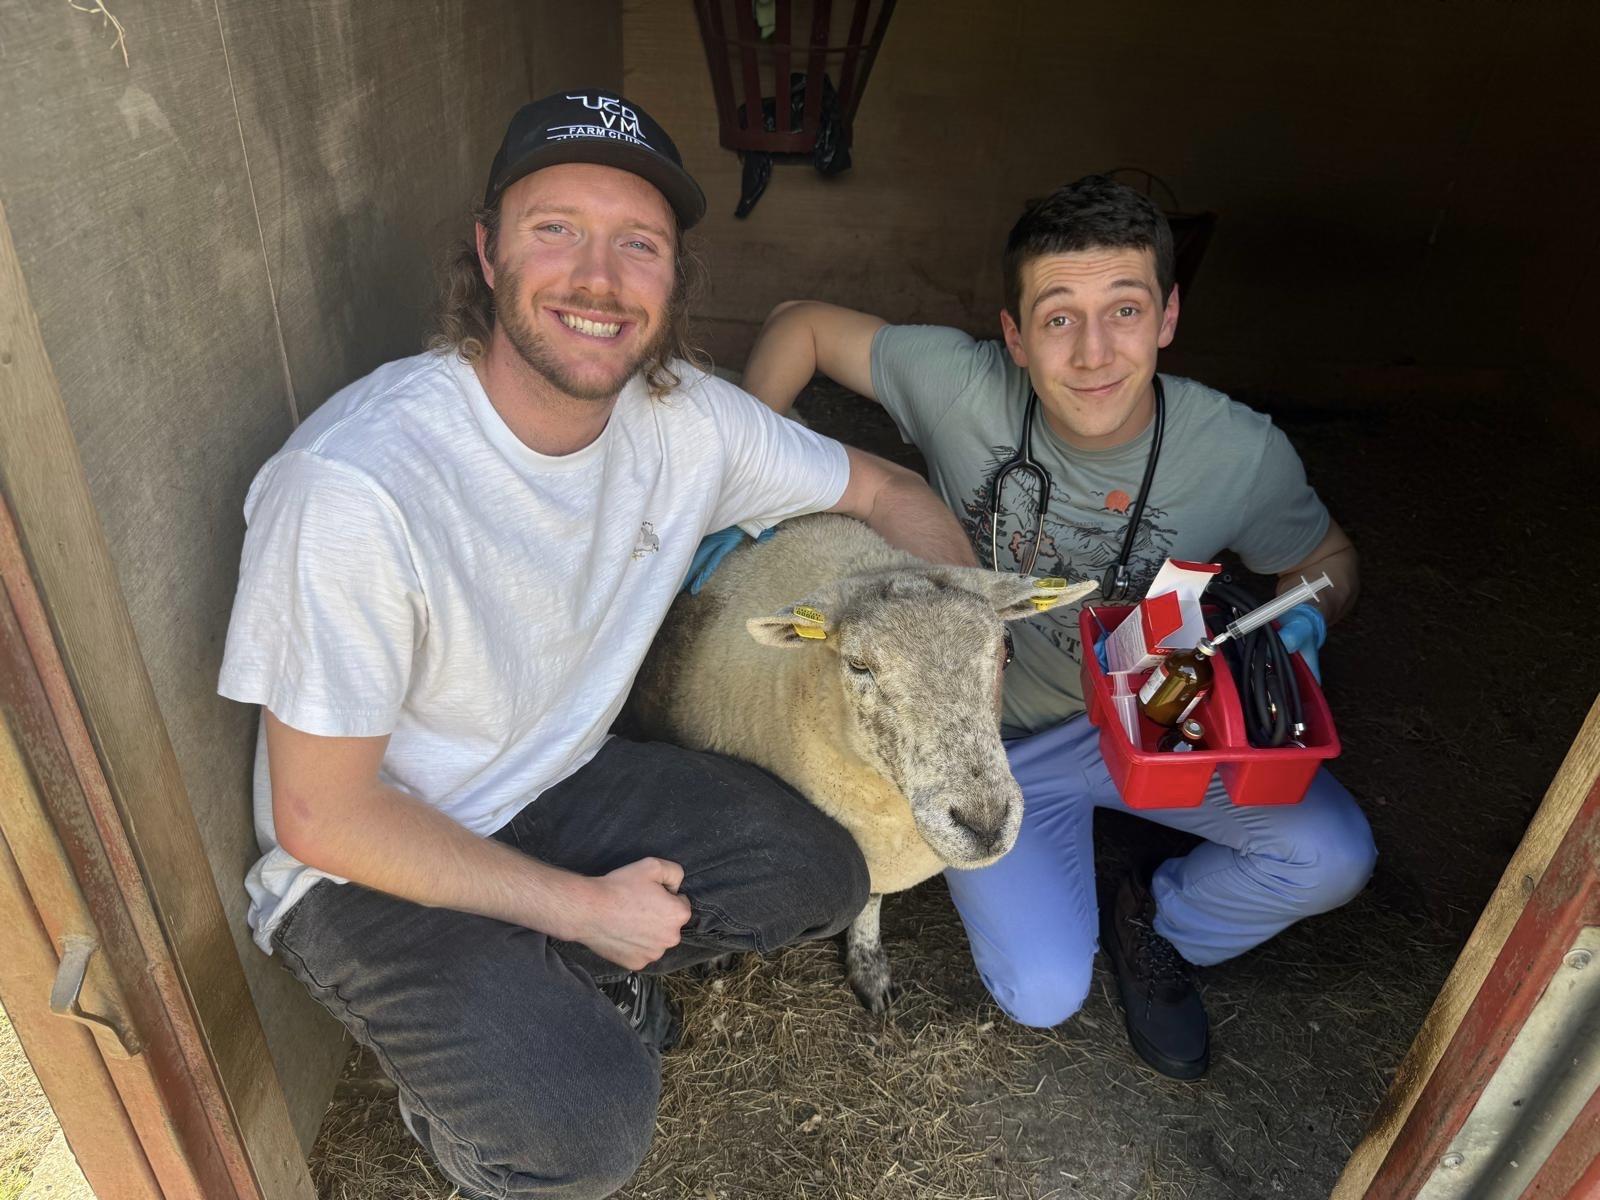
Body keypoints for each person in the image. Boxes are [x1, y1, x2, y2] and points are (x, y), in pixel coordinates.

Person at [218, 89, 976, 1200]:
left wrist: (954, 639)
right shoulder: (356, 487)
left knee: (818, 871)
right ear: (488, 252)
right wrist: (584, 908)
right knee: (584, 1137)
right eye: (555, 230)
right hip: (367, 866)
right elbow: (323, 816)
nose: (597, 277)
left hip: (552, 779)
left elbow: (884, 487)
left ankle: (549, 972)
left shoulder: (687, 420)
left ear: (674, 280)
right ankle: (474, 1092)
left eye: (639, 244)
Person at [740, 174, 1378, 1081]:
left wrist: (1306, 617)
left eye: (1126, 309)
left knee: (1334, 856)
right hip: (992, 744)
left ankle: (1158, 919)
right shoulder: (961, 384)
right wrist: (748, 487)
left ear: (1168, 316)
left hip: (1161, 724)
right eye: (1058, 317)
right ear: (1015, 336)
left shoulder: (1239, 451)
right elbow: (797, 324)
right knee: (1039, 994)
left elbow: (1330, 558)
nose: (1093, 351)